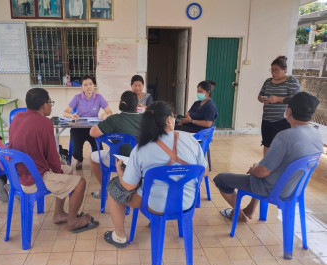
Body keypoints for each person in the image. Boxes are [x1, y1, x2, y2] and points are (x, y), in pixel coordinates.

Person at [104, 101, 208, 248]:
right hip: (186, 202)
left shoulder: (141, 149)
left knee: (114, 187)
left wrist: (121, 171)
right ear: (168, 120)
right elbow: (204, 171)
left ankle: (119, 236)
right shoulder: (191, 140)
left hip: (154, 205)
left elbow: (128, 187)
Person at [214, 92, 323, 222]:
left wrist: (253, 169)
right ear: (311, 115)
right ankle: (249, 210)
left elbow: (263, 173)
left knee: (221, 179)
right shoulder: (316, 134)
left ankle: (240, 215)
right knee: (262, 167)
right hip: (294, 189)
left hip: (273, 190)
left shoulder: (285, 137)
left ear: (288, 112)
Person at [9, 88, 99, 232]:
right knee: (80, 183)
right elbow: (51, 156)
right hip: (33, 178)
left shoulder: (17, 117)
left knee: (68, 169)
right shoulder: (45, 123)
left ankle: (58, 214)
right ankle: (72, 222)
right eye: (50, 102)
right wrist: (58, 171)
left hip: (17, 174)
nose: (51, 105)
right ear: (43, 105)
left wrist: (60, 168)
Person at [89, 91, 142, 199]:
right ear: (137, 106)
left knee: (91, 157)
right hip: (140, 161)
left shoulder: (114, 119)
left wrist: (105, 121)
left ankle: (104, 188)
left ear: (120, 103)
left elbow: (93, 133)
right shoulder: (145, 119)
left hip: (118, 160)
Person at [63, 75, 112, 170]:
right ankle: (80, 159)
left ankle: (96, 161)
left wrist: (105, 115)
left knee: (99, 151)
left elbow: (109, 112)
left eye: (90, 84)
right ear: (82, 87)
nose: (88, 87)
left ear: (93, 85)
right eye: (85, 85)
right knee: (76, 153)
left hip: (93, 129)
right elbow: (65, 113)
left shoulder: (99, 97)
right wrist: (71, 115)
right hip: (78, 128)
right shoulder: (77, 97)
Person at [258, 56, 300, 156]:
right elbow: (259, 96)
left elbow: (296, 99)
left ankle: (278, 168)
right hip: (266, 119)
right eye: (272, 70)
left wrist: (278, 99)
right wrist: (262, 98)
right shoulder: (268, 81)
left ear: (284, 69)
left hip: (282, 121)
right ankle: (267, 166)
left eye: (276, 70)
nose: (273, 73)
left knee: (281, 146)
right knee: (267, 144)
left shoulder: (292, 81)